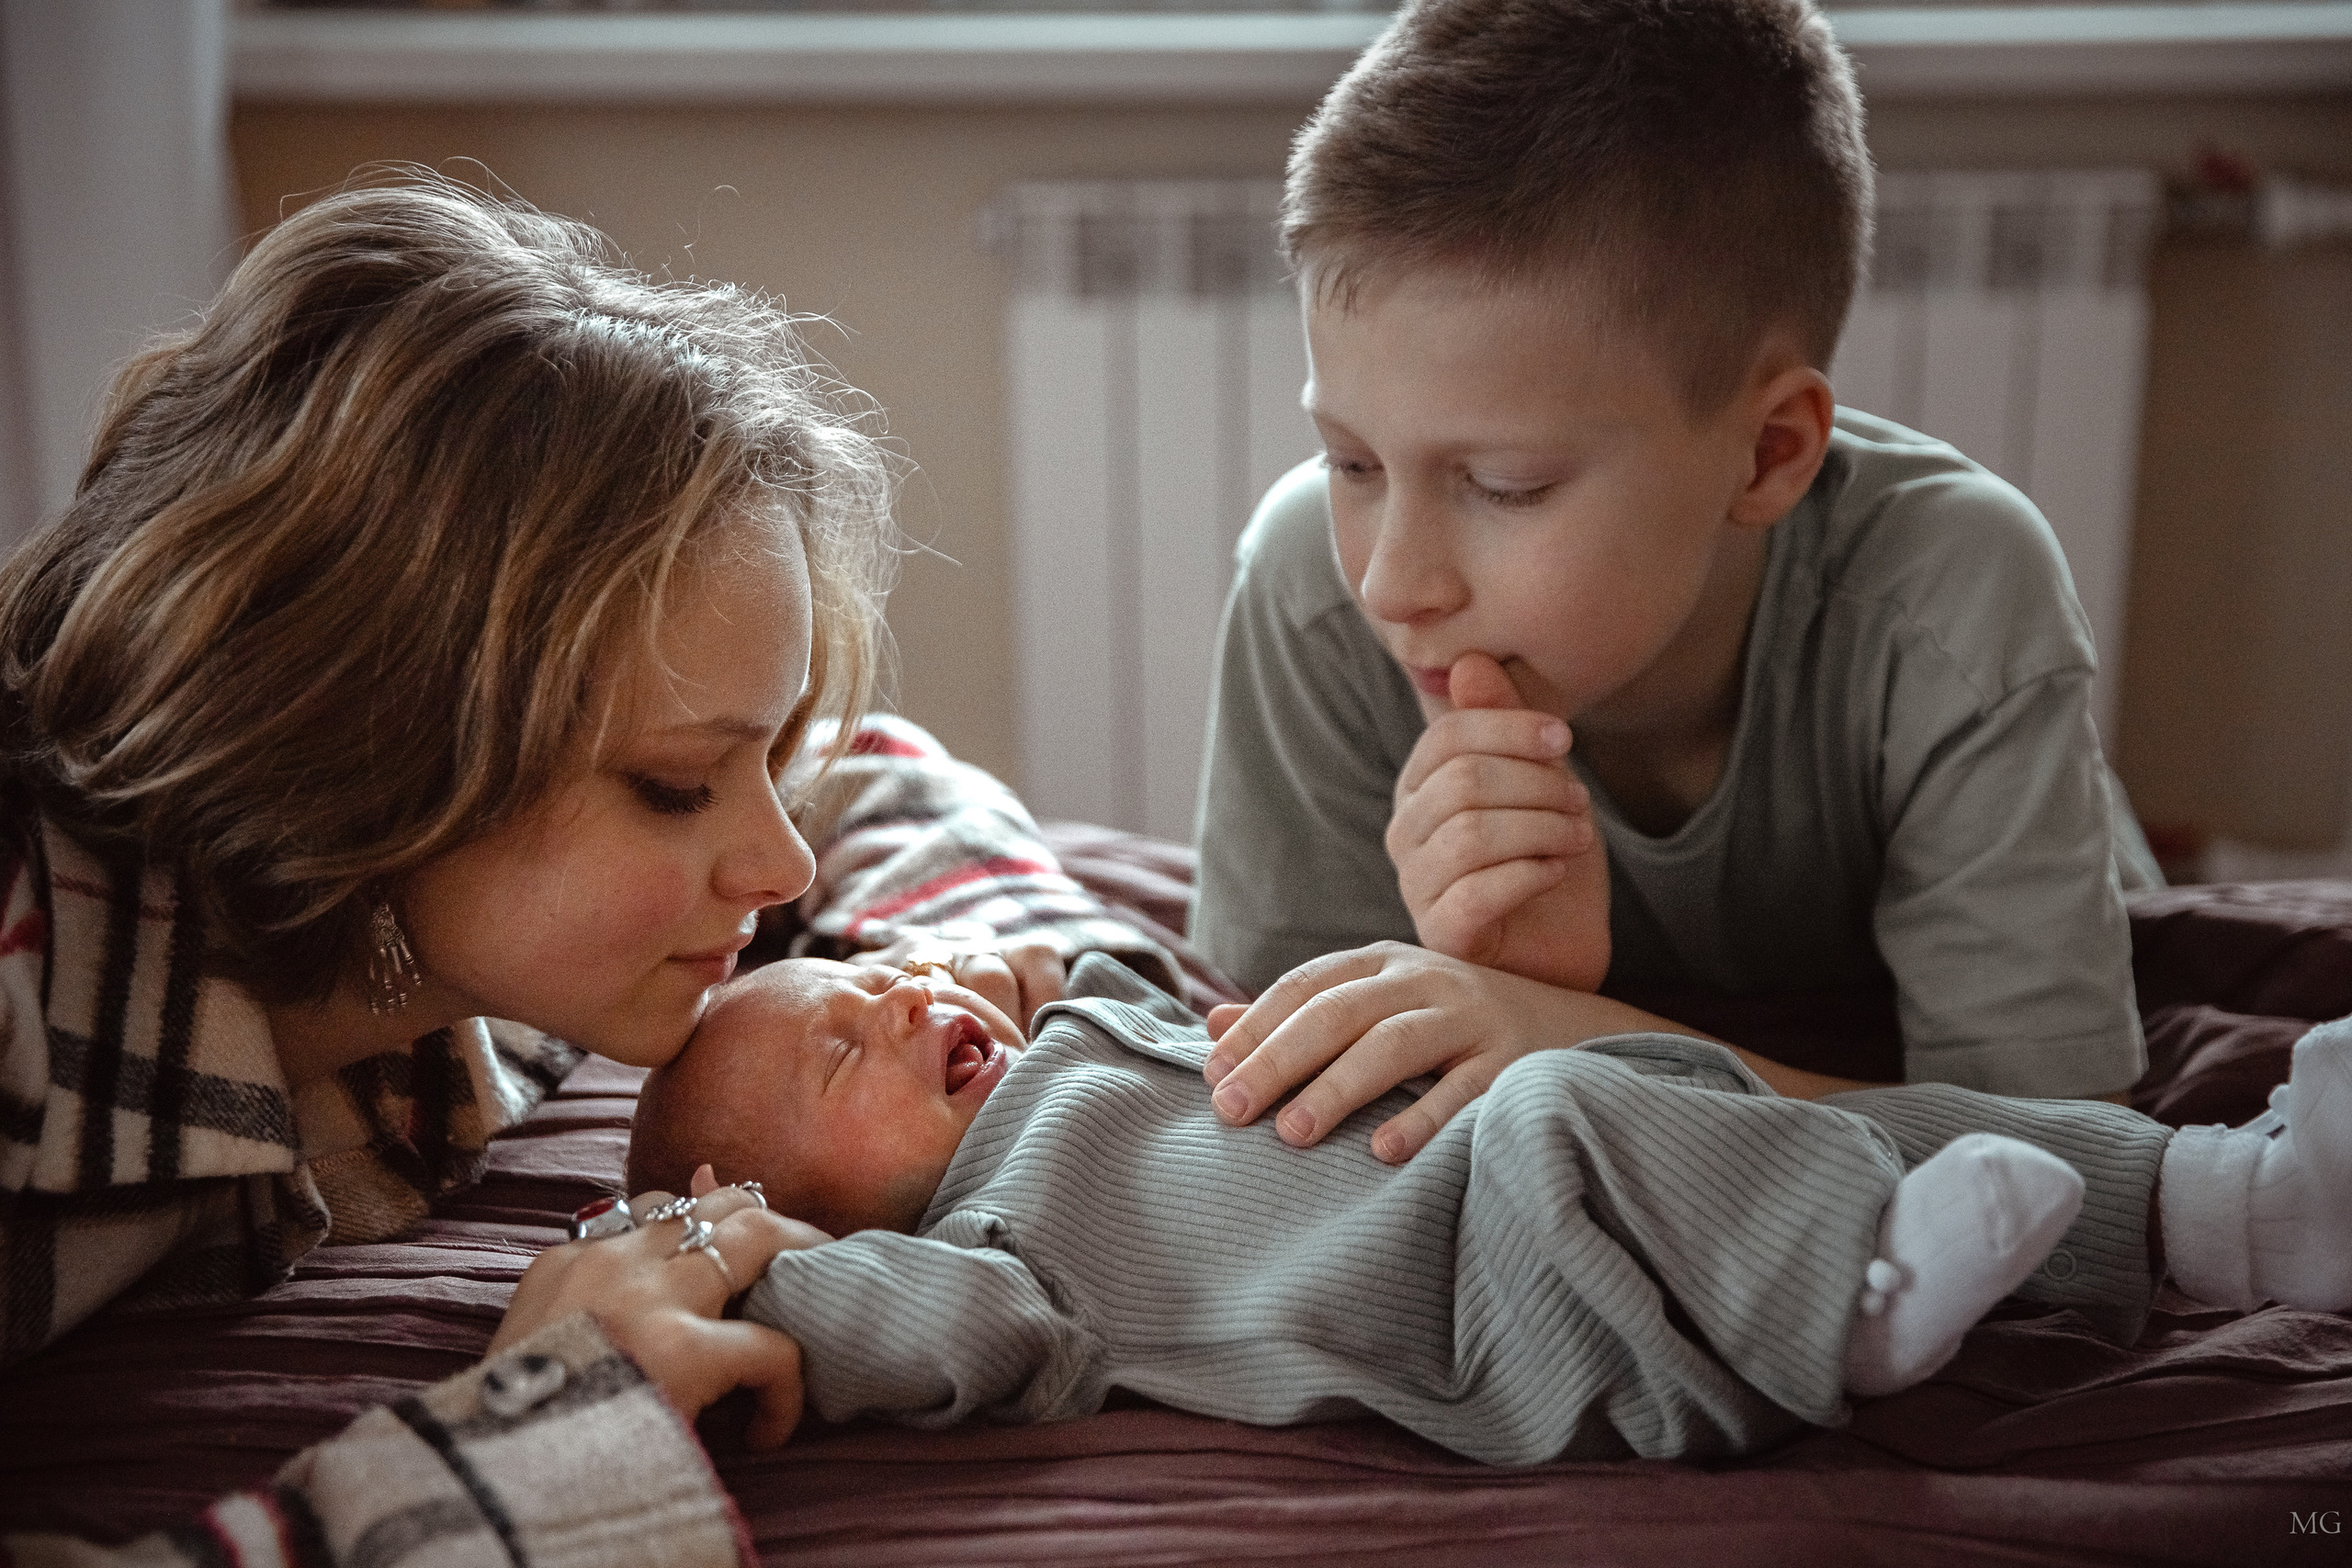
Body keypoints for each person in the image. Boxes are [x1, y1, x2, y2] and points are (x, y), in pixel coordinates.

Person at [0, 174, 893, 1566]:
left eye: (771, 751)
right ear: (357, 754)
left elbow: (898, 763)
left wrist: (1008, 966)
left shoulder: (437, 949)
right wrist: (539, 1431)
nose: (782, 859)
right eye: (673, 786)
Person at [1187, 0, 2165, 1168]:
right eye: (1349, 461)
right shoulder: (1308, 588)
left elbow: (2064, 1167)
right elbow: (1295, 1117)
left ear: (1767, 454)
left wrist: (1574, 1045)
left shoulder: (1948, 600)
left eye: (1503, 486)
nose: (1393, 584)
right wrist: (1488, 983)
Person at [620, 953, 2352, 1462]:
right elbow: (961, 1342)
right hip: (1479, 1280)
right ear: (804, 1204)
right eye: (843, 1044)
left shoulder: (1065, 1031)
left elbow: (1172, 988)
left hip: (1534, 1138)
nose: (911, 999)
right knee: (1570, 1100)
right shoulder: (969, 1248)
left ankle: (2233, 1201)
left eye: (889, 970)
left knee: (1831, 1108)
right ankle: (1860, 1310)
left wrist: (1038, 969)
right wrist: (774, 1280)